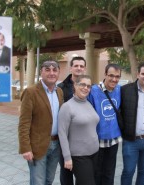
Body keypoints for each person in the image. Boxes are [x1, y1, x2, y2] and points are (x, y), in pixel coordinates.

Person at [18, 61, 63, 185]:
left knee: (49, 180)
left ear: (59, 73)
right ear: (41, 72)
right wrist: (25, 148)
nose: (51, 73)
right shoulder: (31, 92)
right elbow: (24, 123)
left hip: (56, 144)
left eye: (55, 70)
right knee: (38, 182)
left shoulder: (59, 92)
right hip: (37, 146)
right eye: (47, 70)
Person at [58, 75, 99, 185]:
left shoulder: (88, 103)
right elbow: (62, 134)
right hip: (79, 156)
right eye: (83, 84)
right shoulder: (67, 107)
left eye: (89, 86)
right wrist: (67, 158)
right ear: (75, 85)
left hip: (94, 153)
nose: (86, 88)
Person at [88, 63, 122, 185]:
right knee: (96, 173)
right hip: (97, 140)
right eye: (111, 75)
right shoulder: (93, 91)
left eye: (117, 76)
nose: (114, 79)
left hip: (113, 139)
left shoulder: (119, 90)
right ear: (105, 75)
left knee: (109, 173)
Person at [57, 56, 86, 185]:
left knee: (82, 175)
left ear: (84, 68)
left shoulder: (89, 87)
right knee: (66, 174)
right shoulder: (60, 88)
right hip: (65, 138)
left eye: (81, 66)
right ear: (71, 68)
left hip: (83, 140)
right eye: (76, 65)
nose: (79, 68)